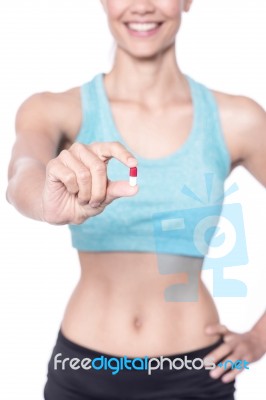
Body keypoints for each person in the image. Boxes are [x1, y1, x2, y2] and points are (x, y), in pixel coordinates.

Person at [6, 0, 266, 399]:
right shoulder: (54, 109)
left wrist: (258, 339)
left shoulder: (238, 119)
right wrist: (44, 201)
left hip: (196, 374)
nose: (141, 6)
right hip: (83, 372)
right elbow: (22, 171)